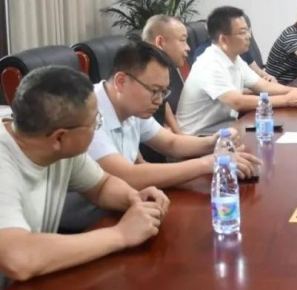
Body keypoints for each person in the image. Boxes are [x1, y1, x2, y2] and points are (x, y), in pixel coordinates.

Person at [59, 41, 262, 232]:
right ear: (121, 81)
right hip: (84, 225)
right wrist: (207, 163)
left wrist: (213, 142)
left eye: (163, 92)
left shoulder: (131, 106)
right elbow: (126, 175)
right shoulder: (87, 113)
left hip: (123, 208)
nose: (159, 101)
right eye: (154, 91)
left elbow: (171, 143)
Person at [0, 67, 170, 286]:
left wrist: (135, 199)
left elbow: (101, 185)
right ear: (59, 137)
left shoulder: (59, 148)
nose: (97, 127)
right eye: (94, 123)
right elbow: (19, 258)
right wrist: (121, 234)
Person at [178, 6, 297, 135]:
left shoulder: (234, 58)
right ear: (224, 40)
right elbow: (238, 102)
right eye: (242, 32)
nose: (249, 36)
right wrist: (286, 100)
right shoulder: (210, 63)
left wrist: (296, 91)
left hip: (227, 130)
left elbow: (263, 85)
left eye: (248, 30)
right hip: (200, 137)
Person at [141, 15, 190, 134]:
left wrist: (178, 134)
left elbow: (164, 102)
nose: (188, 48)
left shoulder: (163, 69)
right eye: (182, 40)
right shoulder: (142, 75)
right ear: (160, 42)